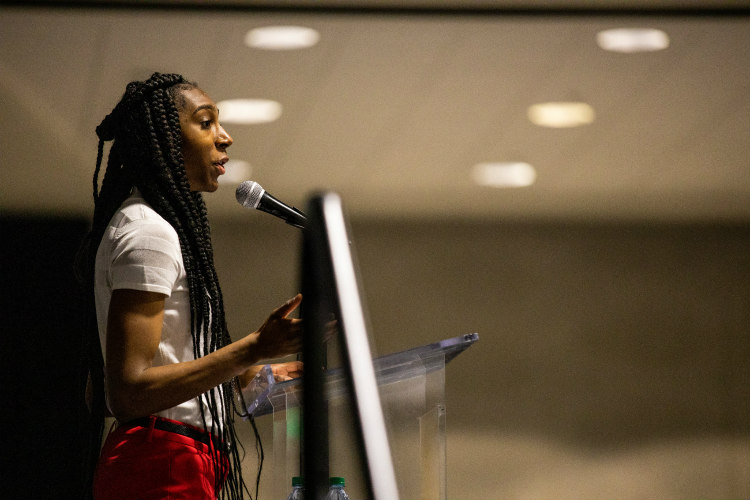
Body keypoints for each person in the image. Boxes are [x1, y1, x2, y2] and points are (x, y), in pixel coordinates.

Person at [76, 72, 303, 500]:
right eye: (206, 122)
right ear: (162, 138)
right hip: (160, 466)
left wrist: (249, 376)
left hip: (167, 460)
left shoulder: (145, 225)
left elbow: (102, 391)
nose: (226, 138)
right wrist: (252, 348)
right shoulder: (148, 232)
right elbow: (126, 392)